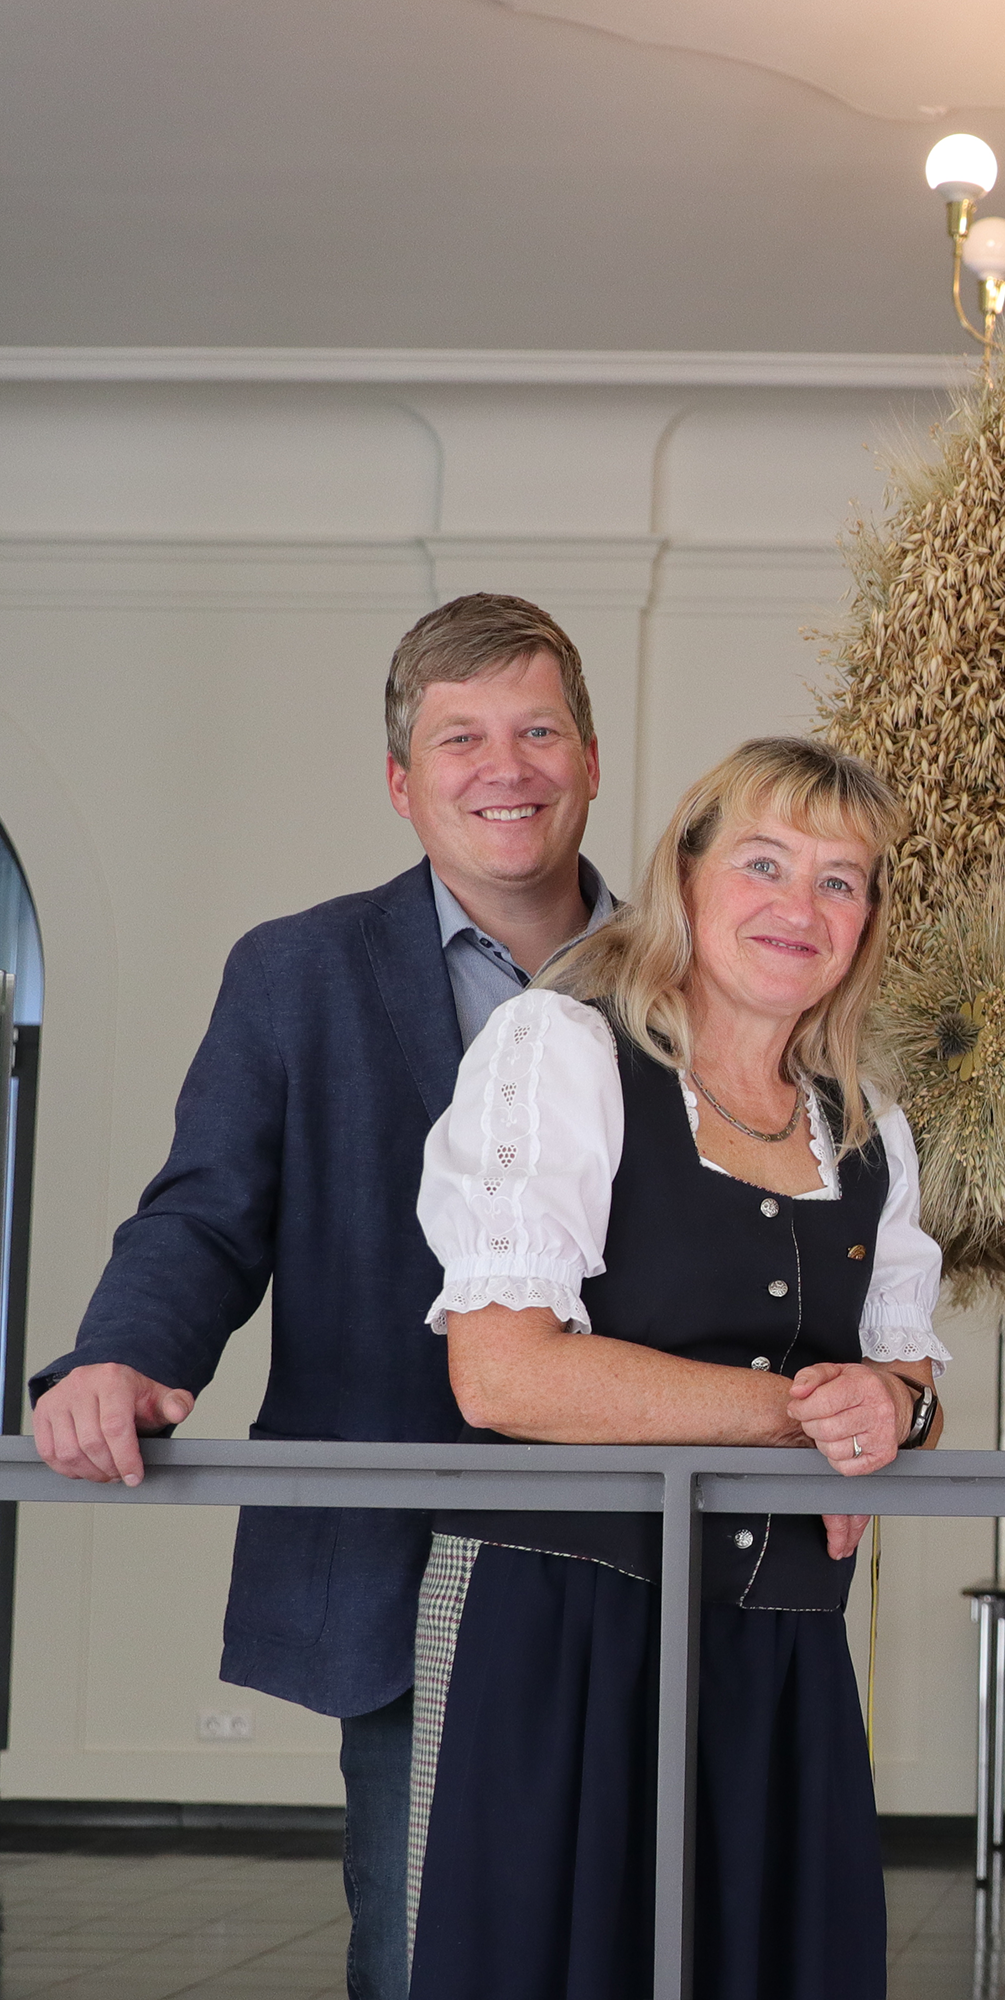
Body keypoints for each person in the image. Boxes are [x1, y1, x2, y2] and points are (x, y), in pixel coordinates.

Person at [26, 594, 608, 2000]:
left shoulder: (688, 991)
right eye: (459, 737)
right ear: (403, 784)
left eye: (537, 730)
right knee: (421, 1953)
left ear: (591, 760)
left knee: (631, 1935)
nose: (504, 766)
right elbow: (209, 1213)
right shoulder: (296, 974)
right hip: (401, 1547)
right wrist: (119, 1357)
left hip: (637, 1546)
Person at [404, 736, 945, 1999]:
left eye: (840, 880)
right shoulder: (565, 1053)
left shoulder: (868, 1130)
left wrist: (895, 1404)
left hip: (782, 1649)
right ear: (687, 878)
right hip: (564, 1627)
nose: (799, 906)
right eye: (764, 862)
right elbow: (503, 1374)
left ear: (867, 924)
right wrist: (797, 1419)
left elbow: (905, 1370)